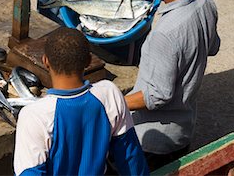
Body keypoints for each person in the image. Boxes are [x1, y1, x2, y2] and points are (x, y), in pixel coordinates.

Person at [125, 0, 221, 171]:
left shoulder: (164, 34)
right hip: (184, 128)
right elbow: (213, 46)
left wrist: (114, 104)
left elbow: (158, 95)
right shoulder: (206, 3)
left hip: (154, 140)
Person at [13, 27, 149, 175]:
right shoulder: (109, 93)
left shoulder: (34, 115)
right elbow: (131, 158)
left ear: (45, 61)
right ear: (89, 61)